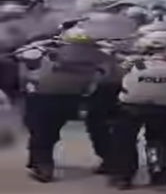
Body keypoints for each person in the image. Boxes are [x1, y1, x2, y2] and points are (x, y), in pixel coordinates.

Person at [19, 27, 111, 183]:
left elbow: (22, 53)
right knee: (96, 128)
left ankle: (43, 166)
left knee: (42, 133)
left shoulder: (45, 50)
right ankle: (111, 161)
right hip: (75, 96)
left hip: (44, 96)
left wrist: (45, 42)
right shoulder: (97, 54)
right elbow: (108, 70)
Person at [109, 31, 166, 190]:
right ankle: (158, 172)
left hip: (131, 107)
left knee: (124, 142)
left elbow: (116, 75)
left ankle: (123, 176)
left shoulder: (134, 62)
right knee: (158, 142)